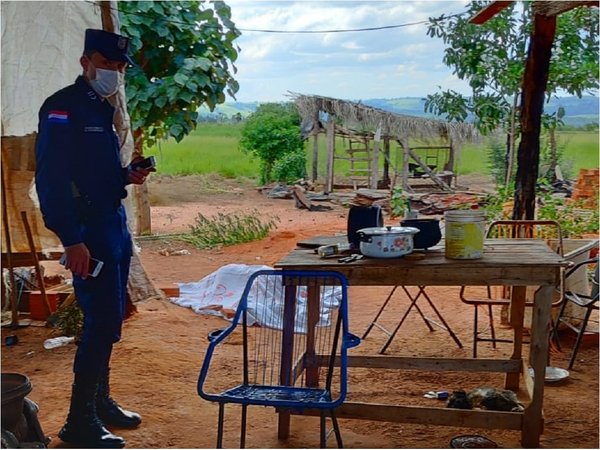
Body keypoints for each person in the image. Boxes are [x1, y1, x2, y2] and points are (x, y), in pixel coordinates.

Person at [35, 29, 152, 449]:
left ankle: (100, 402)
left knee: (110, 318)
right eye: (108, 64)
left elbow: (95, 176)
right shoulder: (62, 108)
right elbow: (50, 179)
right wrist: (70, 240)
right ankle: (79, 422)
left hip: (111, 223)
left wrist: (127, 175)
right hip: (86, 231)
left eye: (120, 68)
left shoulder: (100, 108)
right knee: (100, 321)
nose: (114, 73)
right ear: (86, 61)